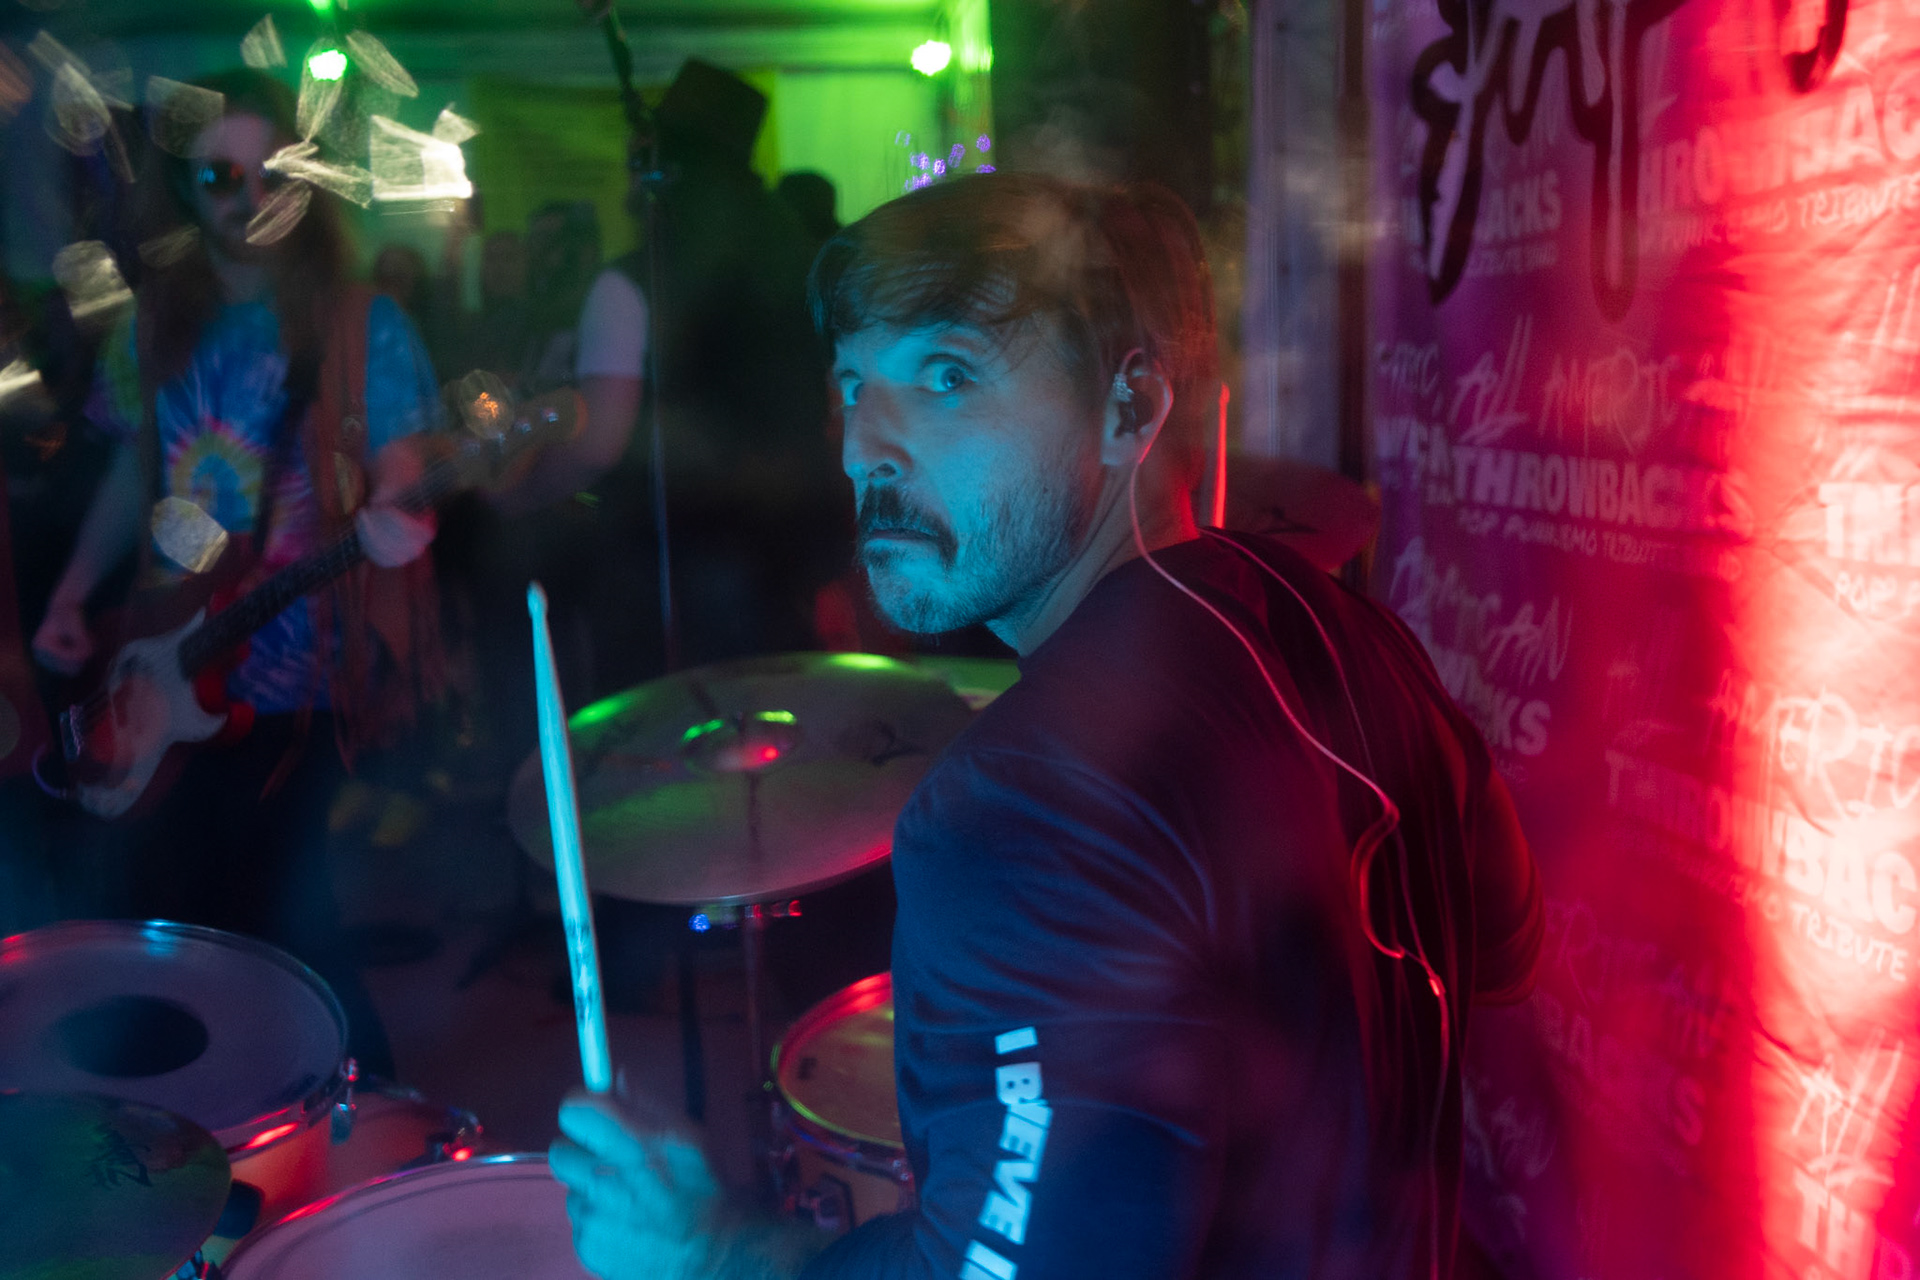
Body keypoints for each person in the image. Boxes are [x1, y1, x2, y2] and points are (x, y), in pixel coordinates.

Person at [548, 173, 1543, 1279]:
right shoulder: (1349, 626)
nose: (865, 447)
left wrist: (717, 1250)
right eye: (855, 384)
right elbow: (1505, 943)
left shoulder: (1021, 808)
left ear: (1129, 408)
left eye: (948, 375)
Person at [30, 69, 443, 1077]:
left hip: (301, 678)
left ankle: (371, 1118)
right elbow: (131, 471)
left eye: (271, 175)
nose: (248, 199)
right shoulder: (153, 324)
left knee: (285, 920)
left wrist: (399, 507)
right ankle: (221, 1125)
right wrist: (74, 593)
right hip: (166, 658)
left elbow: (403, 456)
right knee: (178, 926)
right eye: (221, 176)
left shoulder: (361, 321)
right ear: (187, 186)